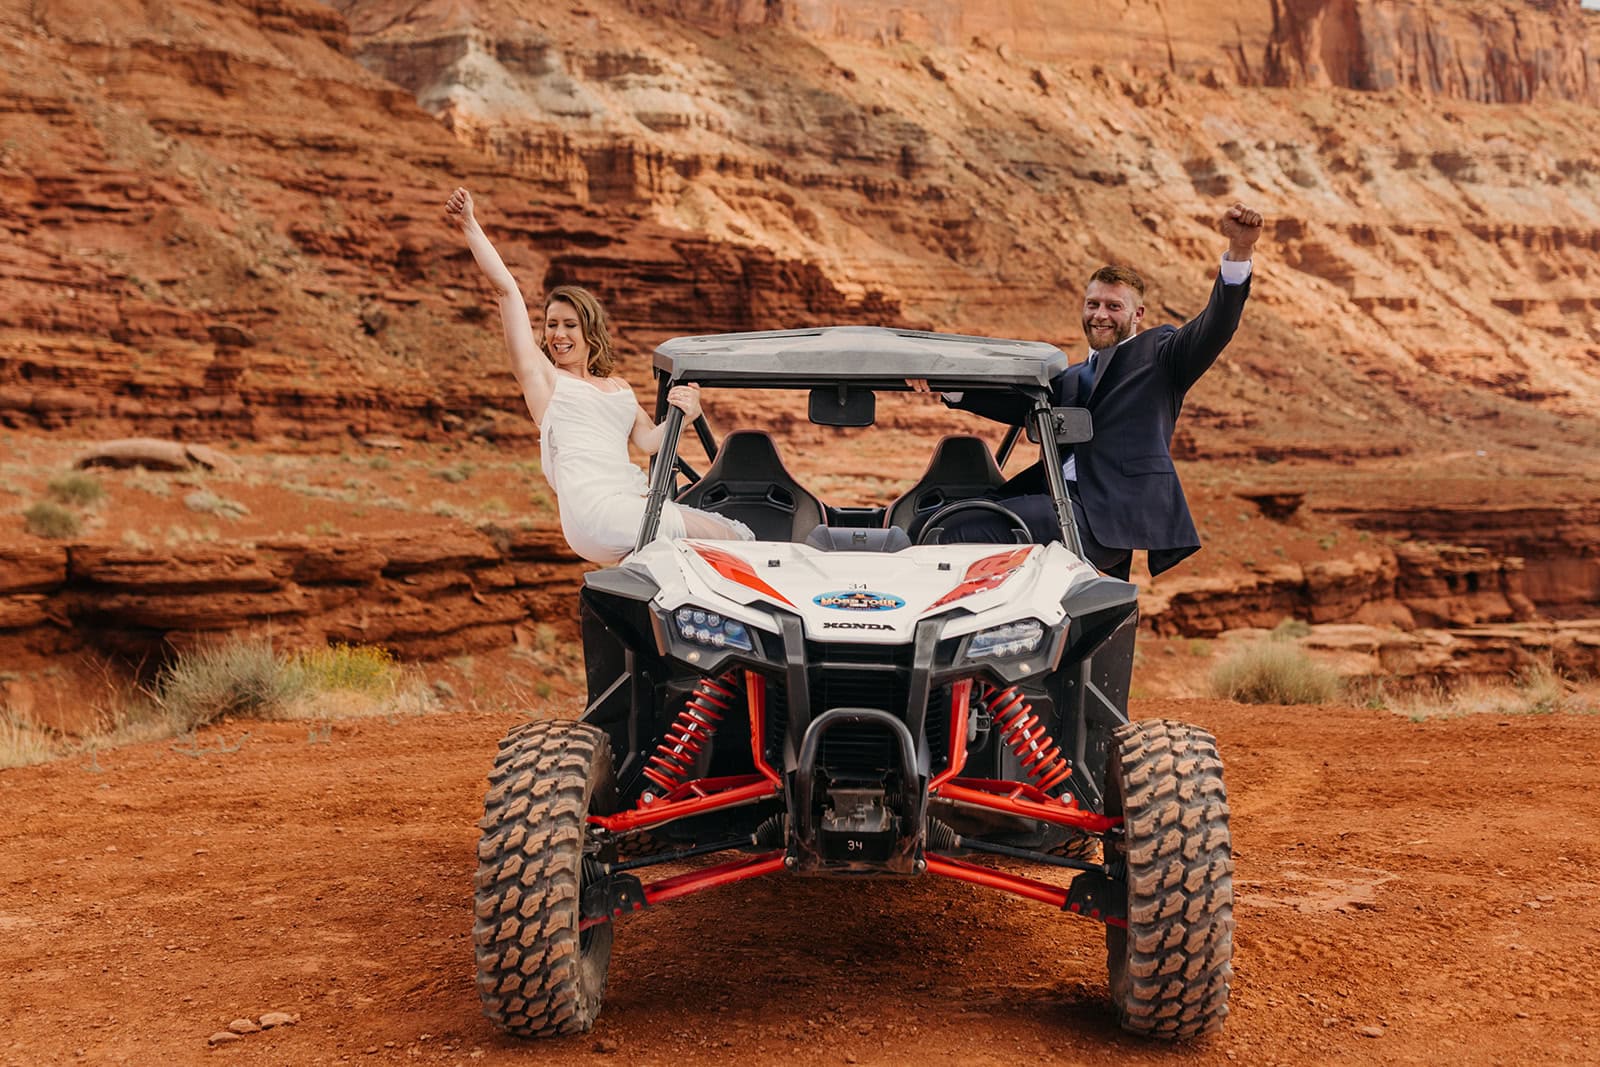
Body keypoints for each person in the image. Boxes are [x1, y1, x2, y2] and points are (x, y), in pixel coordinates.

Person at [911, 202, 1264, 580]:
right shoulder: (1075, 375)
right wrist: (941, 384)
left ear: (1138, 315)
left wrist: (1239, 252)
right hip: (1059, 502)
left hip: (1102, 515)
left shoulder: (1162, 355)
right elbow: (1021, 406)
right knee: (939, 518)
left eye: (1114, 306)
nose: (1100, 315)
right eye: (1093, 304)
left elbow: (1217, 325)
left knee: (954, 530)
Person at [444, 187, 753, 564]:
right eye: (551, 325)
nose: (557, 335)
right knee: (737, 536)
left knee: (704, 549)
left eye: (569, 325)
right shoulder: (546, 382)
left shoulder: (618, 388)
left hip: (628, 507)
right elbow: (506, 291)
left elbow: (651, 442)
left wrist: (685, 414)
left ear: (590, 331)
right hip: (596, 514)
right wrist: (470, 225)